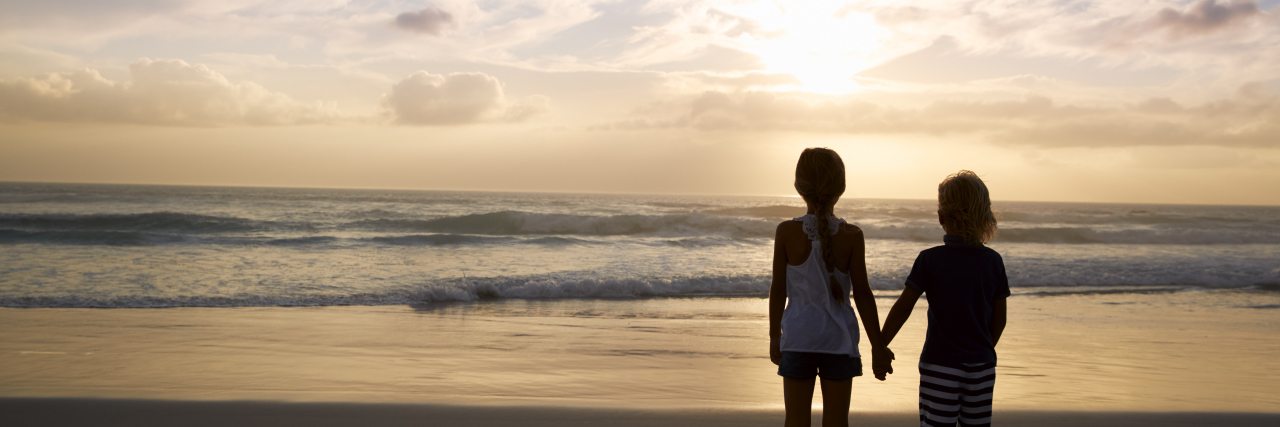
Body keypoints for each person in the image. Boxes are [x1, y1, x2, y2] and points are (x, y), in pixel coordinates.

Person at [769, 148, 892, 427]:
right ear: (841, 188)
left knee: (796, 422)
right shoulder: (852, 235)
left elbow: (778, 290)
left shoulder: (786, 232)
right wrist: (878, 345)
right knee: (837, 422)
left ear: (798, 187)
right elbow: (862, 293)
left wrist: (774, 334)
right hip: (840, 342)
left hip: (798, 339)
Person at [879, 170, 1009, 427]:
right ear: (986, 216)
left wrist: (880, 345)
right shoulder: (993, 262)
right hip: (981, 367)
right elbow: (1000, 320)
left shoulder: (930, 260)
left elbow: (903, 307)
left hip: (940, 364)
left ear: (941, 217)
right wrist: (982, 349)